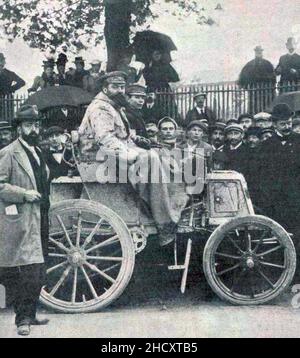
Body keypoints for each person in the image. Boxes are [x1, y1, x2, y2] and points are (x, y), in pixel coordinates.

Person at [79, 72, 188, 246]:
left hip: (112, 151)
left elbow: (122, 135)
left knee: (162, 155)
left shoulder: (113, 105)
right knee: (150, 158)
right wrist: (131, 154)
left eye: (122, 87)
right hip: (98, 155)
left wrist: (137, 140)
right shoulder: (100, 108)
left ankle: (173, 202)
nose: (120, 90)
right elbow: (106, 139)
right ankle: (164, 221)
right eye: (115, 87)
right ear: (105, 88)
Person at [0, 105, 50, 336]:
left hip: (41, 214)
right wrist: (24, 193)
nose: (33, 129)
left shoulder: (38, 151)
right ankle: (23, 319)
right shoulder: (9, 152)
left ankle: (31, 312)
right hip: (21, 216)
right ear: (19, 128)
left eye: (36, 125)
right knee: (25, 270)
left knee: (39, 269)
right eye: (28, 125)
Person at [259, 103, 300, 248]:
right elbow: (262, 175)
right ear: (274, 124)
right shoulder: (265, 146)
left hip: (297, 199)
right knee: (278, 239)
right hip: (276, 201)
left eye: (289, 123)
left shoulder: (298, 140)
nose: (287, 127)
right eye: (283, 124)